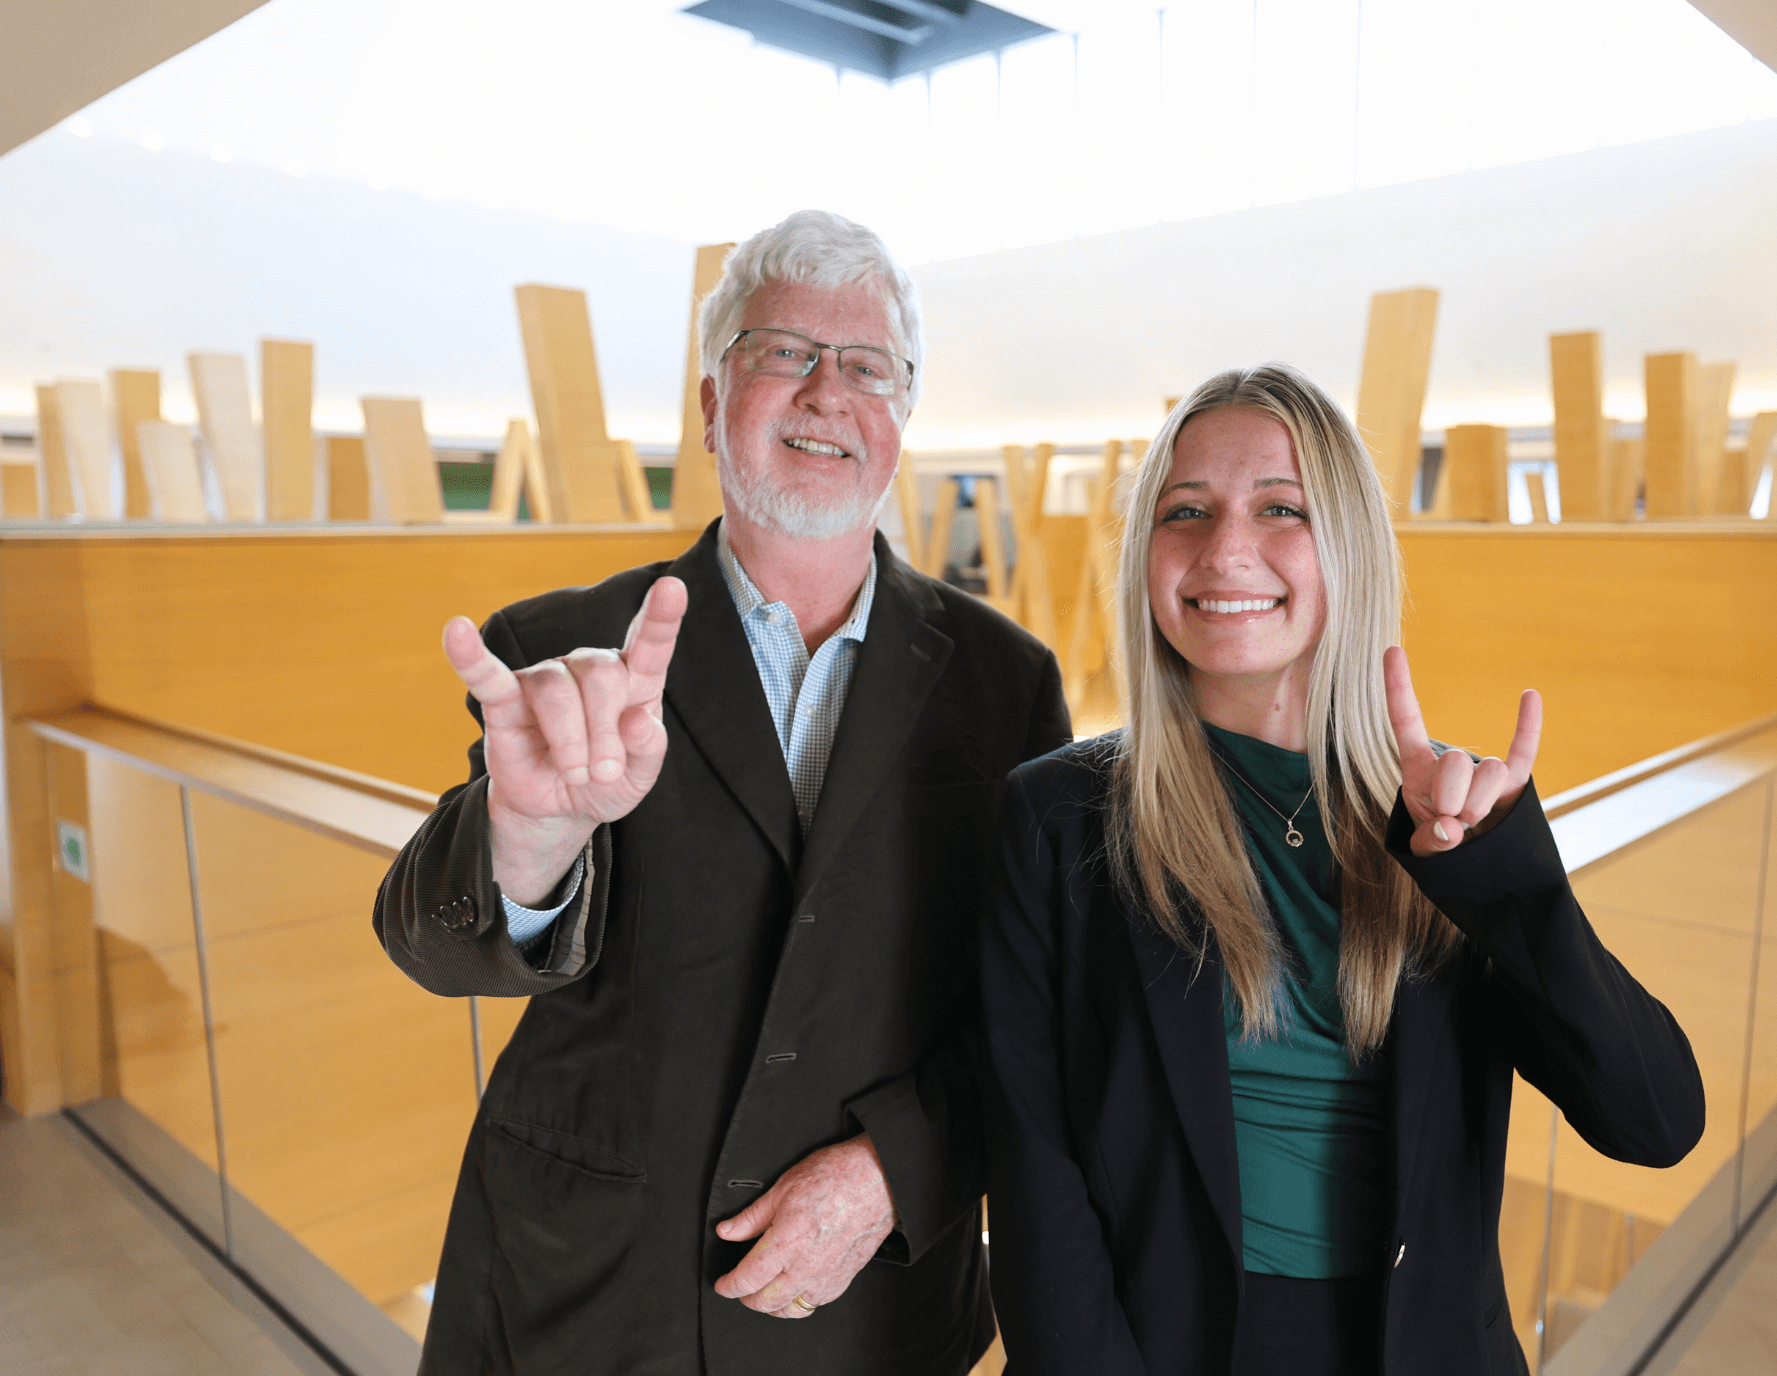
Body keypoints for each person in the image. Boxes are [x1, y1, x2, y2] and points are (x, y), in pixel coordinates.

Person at [375, 209, 1069, 1376]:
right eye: (782, 351)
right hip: (593, 1297)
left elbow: (1036, 1007)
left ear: (900, 416)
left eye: (866, 367)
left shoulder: (1006, 682)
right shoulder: (563, 648)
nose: (823, 392)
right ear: (710, 403)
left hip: (866, 1311)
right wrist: (531, 830)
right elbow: (439, 949)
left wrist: (900, 1167)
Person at [979, 362, 1705, 1375]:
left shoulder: (1444, 817)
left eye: (1282, 508)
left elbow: (1655, 1120)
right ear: (1144, 553)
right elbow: (1031, 1165)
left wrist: (1505, 880)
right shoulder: (1057, 814)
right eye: (1185, 510)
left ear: (1349, 549)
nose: (1225, 549)